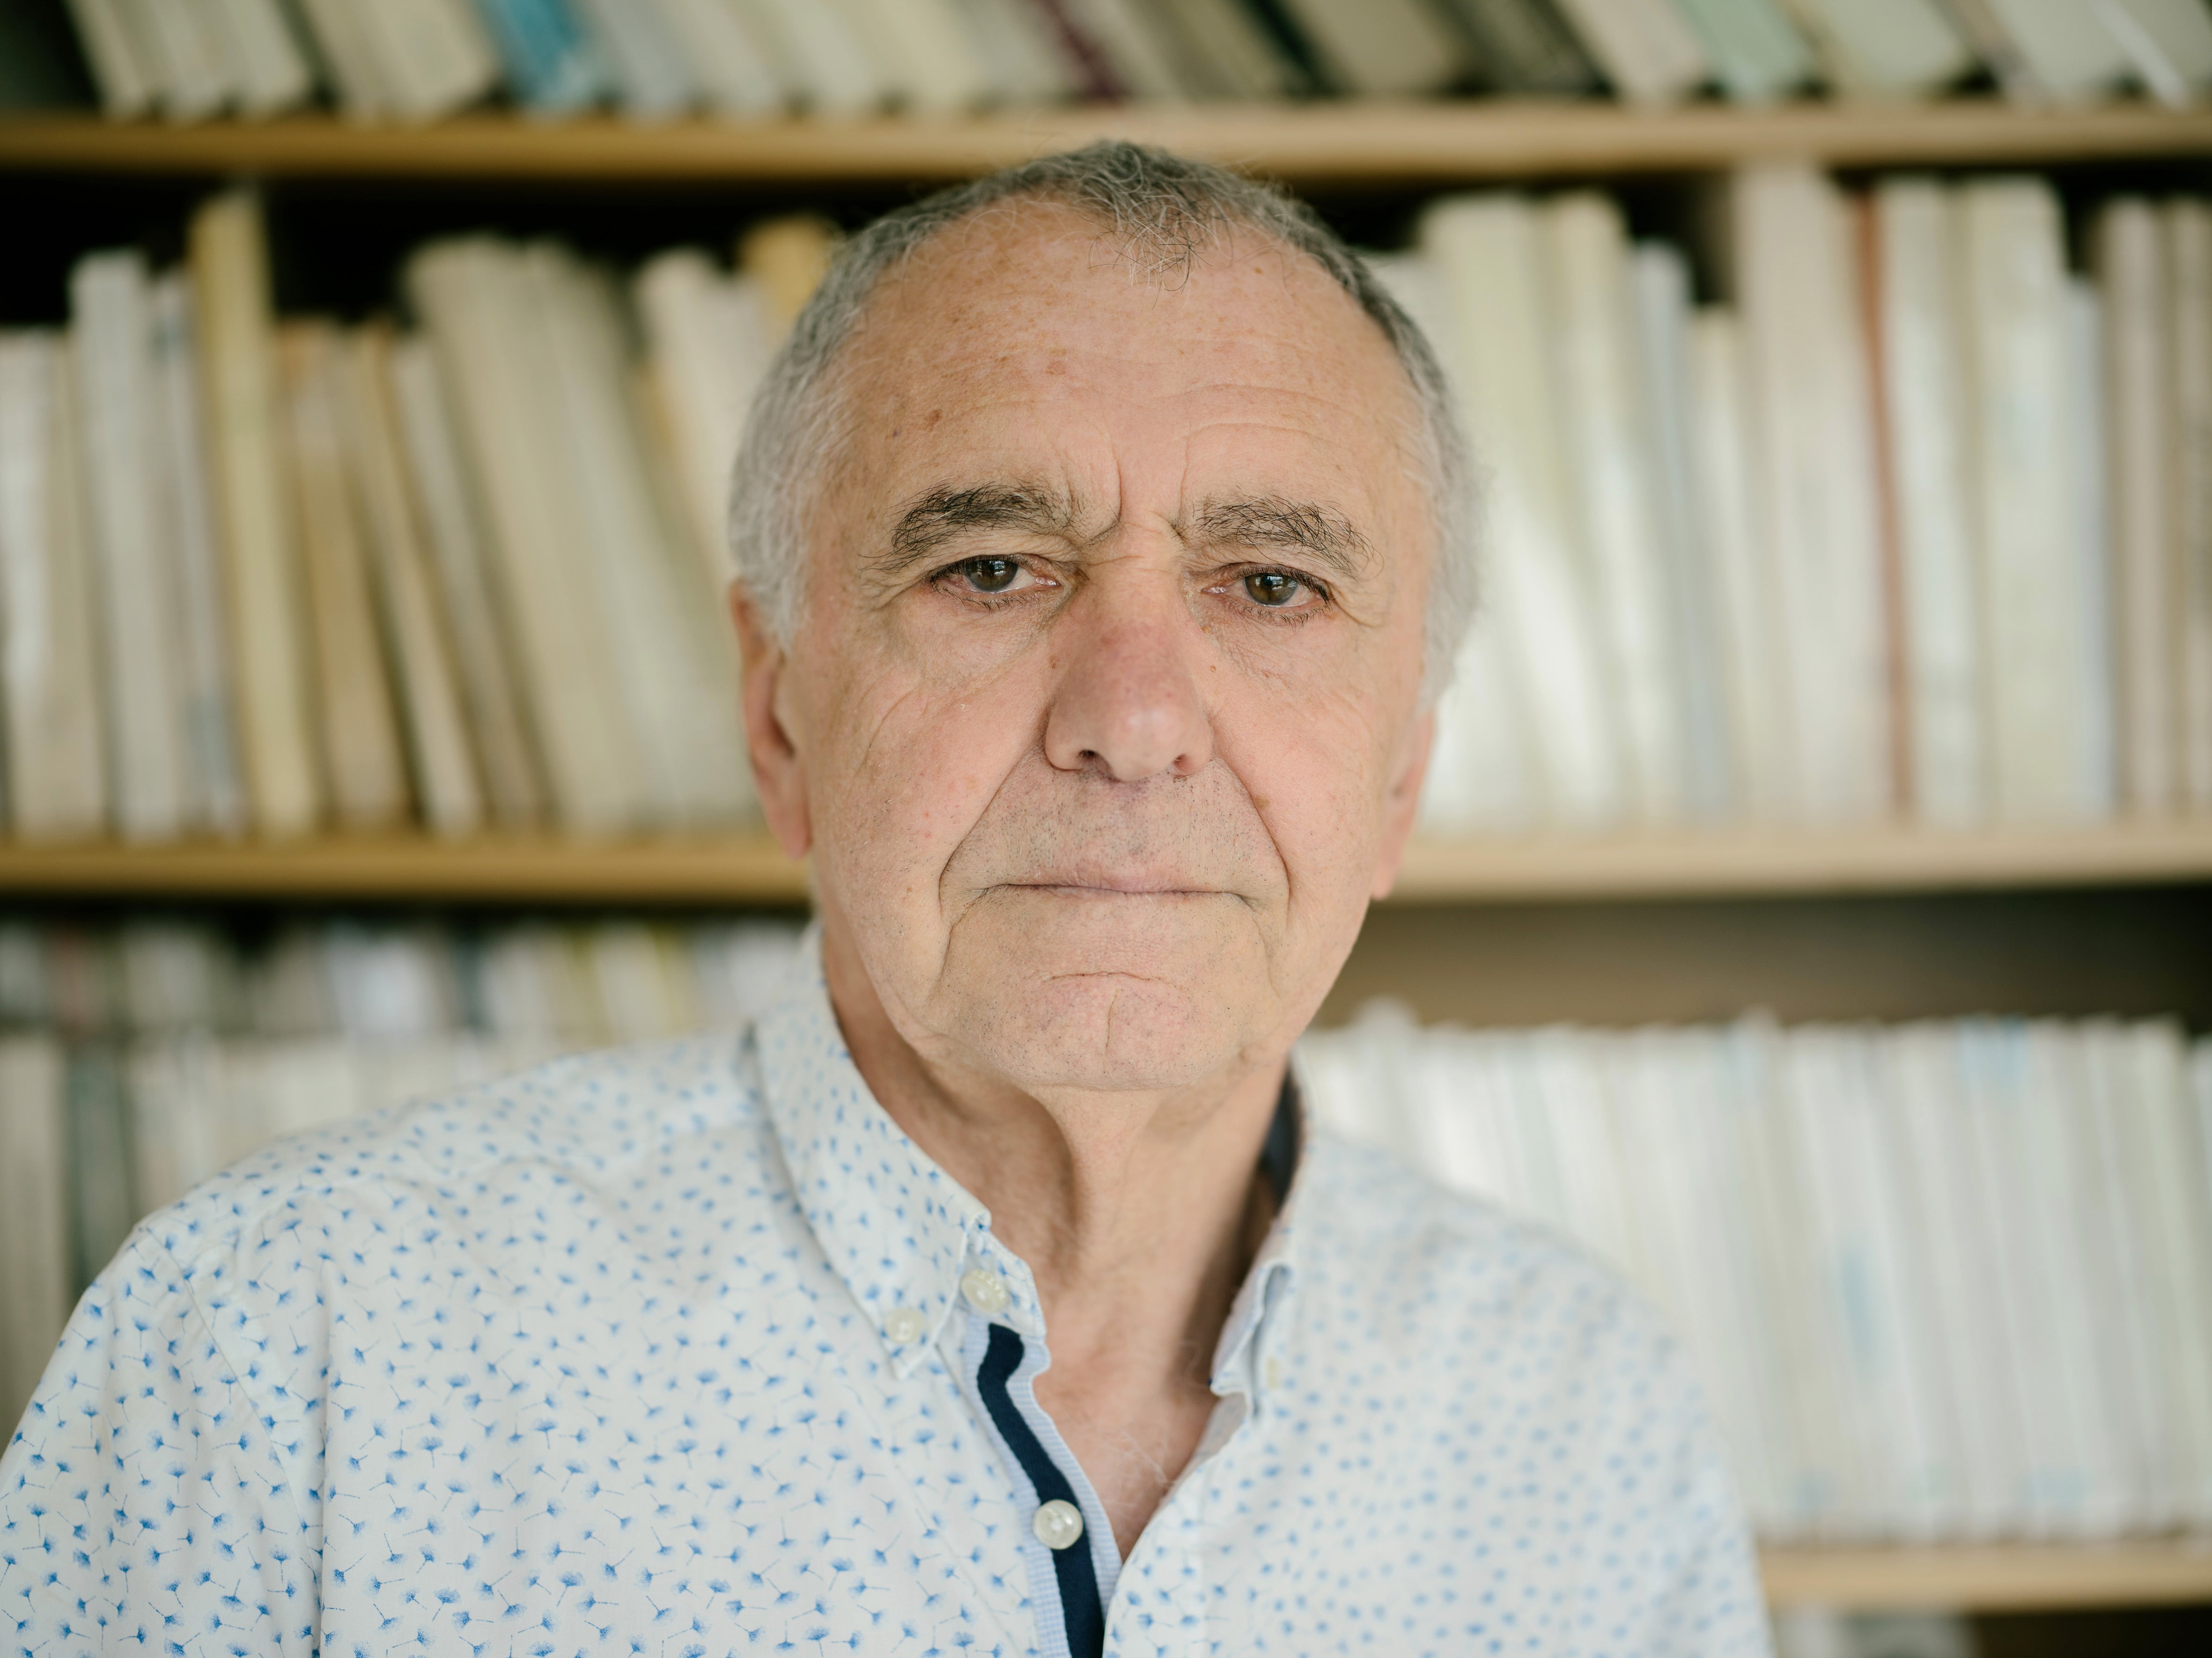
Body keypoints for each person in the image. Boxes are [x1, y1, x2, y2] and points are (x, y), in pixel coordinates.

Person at [0, 143, 1765, 1656]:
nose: (1135, 721)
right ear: (778, 713)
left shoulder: (1589, 1419)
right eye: (991, 568)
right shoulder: (279, 1350)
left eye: (1270, 584)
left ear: (1398, 783)